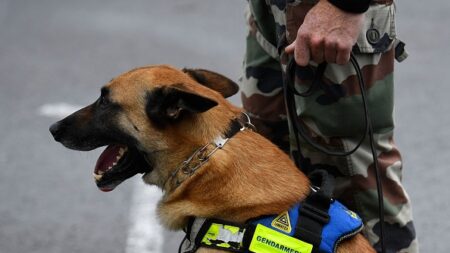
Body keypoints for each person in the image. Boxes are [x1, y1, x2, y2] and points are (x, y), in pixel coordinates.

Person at [240, 0, 418, 252]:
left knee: (354, 180)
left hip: (328, 9)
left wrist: (344, 6)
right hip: (273, 10)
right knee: (268, 164)